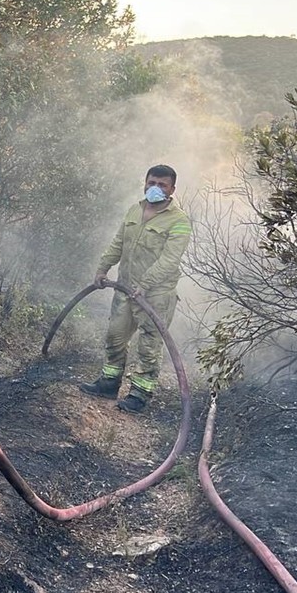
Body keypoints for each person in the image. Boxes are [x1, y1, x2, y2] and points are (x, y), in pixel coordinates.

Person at [80, 164, 192, 413]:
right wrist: (102, 269)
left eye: (162, 184)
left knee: (149, 345)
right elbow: (118, 243)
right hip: (125, 289)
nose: (155, 188)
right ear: (145, 183)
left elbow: (169, 259)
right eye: (151, 182)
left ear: (172, 189)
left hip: (155, 295)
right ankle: (108, 383)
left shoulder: (179, 221)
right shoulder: (134, 210)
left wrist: (146, 284)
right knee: (115, 337)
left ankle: (139, 394)